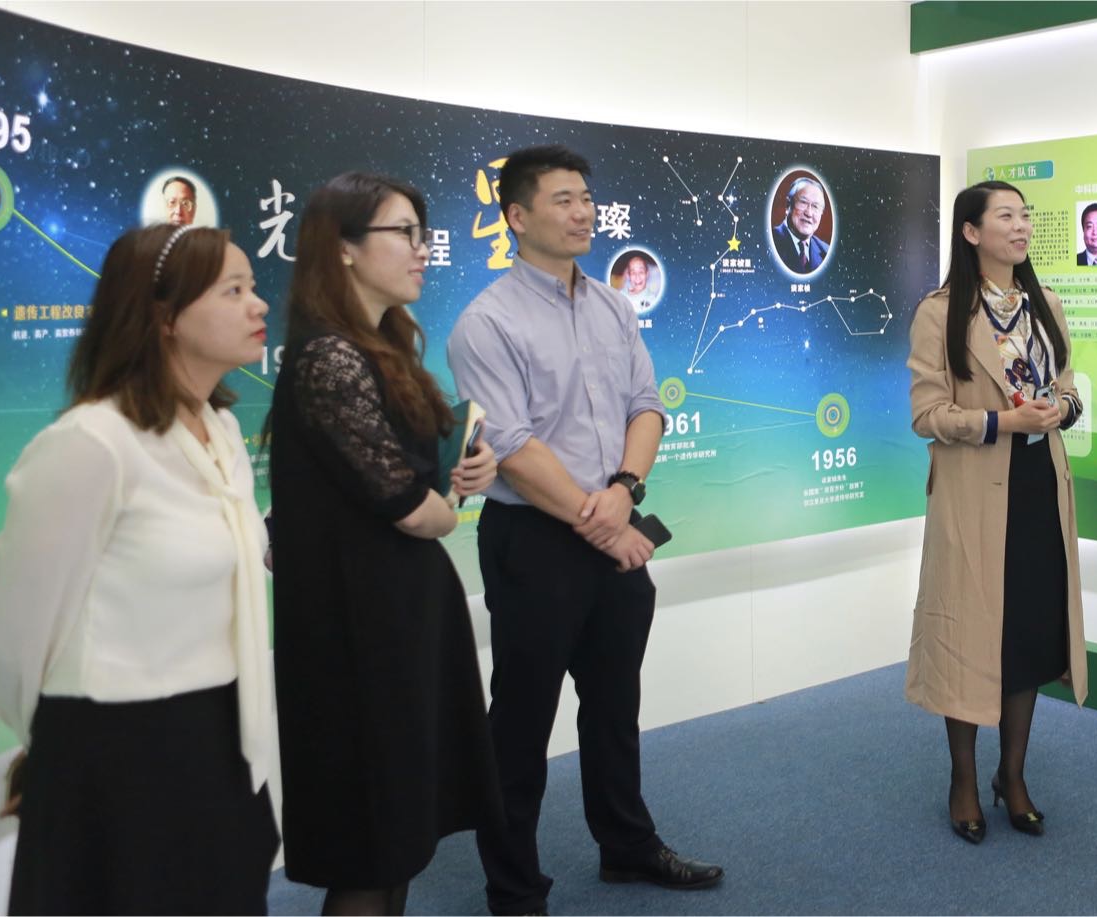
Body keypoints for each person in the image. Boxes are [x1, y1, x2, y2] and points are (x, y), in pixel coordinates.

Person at [447, 144, 723, 916]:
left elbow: (647, 405)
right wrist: (601, 522)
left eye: (586, 199)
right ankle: (514, 885)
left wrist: (625, 491)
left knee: (614, 705)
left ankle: (626, 845)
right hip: (534, 541)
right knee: (521, 718)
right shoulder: (485, 322)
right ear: (516, 215)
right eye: (562, 200)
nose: (582, 212)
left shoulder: (612, 306)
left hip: (616, 518)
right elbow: (511, 446)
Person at [0, 223, 279, 913]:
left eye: (253, 286)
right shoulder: (92, 443)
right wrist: (49, 744)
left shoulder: (221, 432)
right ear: (163, 316)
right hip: (115, 754)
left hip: (222, 738)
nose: (258, 304)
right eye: (233, 290)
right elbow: (14, 638)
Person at [268, 172, 502, 916]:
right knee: (372, 843)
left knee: (400, 835)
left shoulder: (385, 345)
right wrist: (445, 505)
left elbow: (428, 472)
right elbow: (411, 507)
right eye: (403, 233)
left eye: (421, 233)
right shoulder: (328, 359)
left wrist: (468, 467)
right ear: (342, 247)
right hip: (357, 635)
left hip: (401, 616)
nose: (421, 249)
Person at [905, 180, 1089, 845]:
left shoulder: (1045, 304)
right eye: (1006, 216)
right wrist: (1002, 421)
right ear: (971, 231)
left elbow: (1069, 390)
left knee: (1029, 633)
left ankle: (1012, 775)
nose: (1021, 226)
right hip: (974, 491)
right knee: (968, 633)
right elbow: (927, 414)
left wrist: (1058, 409)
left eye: (1025, 215)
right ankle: (963, 779)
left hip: (1039, 486)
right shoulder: (941, 312)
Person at [772, 175, 830, 274]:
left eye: (815, 207)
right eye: (803, 202)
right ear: (788, 205)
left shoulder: (826, 251)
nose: (809, 213)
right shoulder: (769, 242)